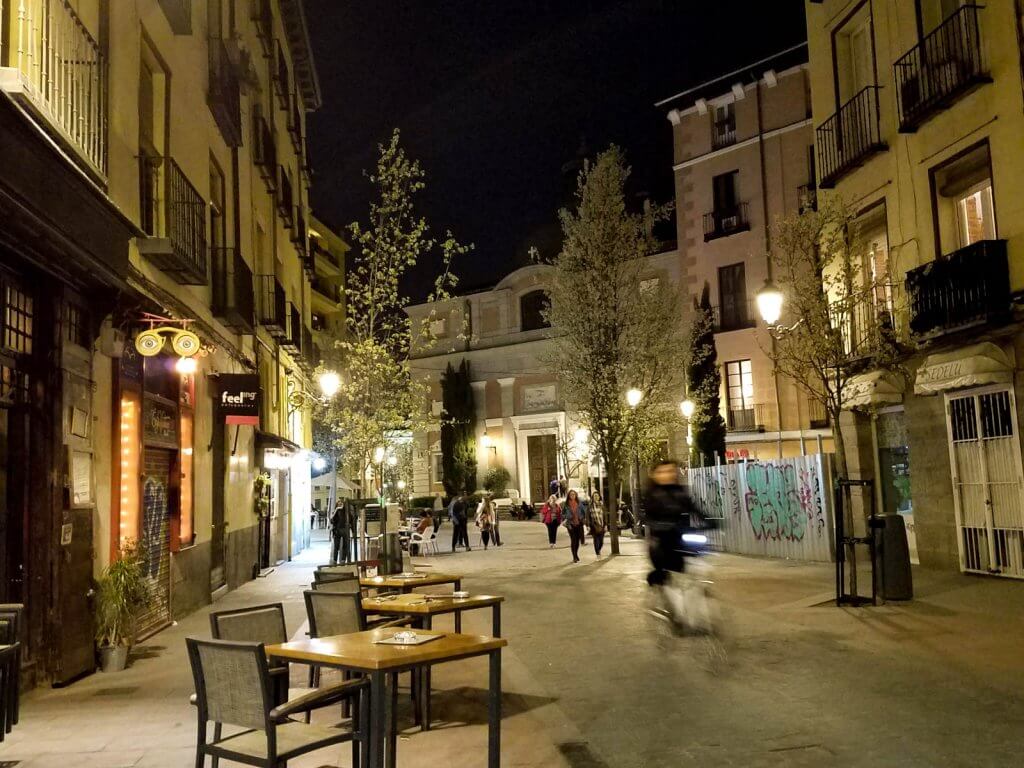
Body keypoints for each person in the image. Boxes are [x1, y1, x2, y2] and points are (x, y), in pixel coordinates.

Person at [563, 489, 587, 563]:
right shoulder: (566, 504)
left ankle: (576, 555)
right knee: (573, 540)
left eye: (574, 494)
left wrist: (582, 518)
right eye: (571, 494)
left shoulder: (579, 503)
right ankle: (574, 557)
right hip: (570, 524)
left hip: (579, 524)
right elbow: (562, 514)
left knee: (577, 541)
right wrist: (566, 516)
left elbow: (584, 512)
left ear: (576, 495)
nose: (572, 496)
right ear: (569, 496)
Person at [330, 500, 353, 565]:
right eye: (338, 505)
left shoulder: (346, 512)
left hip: (343, 530)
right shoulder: (336, 511)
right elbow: (332, 520)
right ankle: (335, 560)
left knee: (344, 546)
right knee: (337, 546)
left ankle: (342, 560)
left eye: (341, 504)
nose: (340, 506)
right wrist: (336, 511)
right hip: (338, 530)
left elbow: (351, 519)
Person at [587, 491, 607, 557]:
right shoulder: (590, 506)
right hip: (594, 525)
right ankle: (598, 553)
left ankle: (598, 550)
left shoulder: (602, 505)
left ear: (599, 497)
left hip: (602, 525)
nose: (596, 497)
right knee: (596, 540)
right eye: (594, 496)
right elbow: (587, 516)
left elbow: (605, 515)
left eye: (597, 496)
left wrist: (606, 525)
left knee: (601, 541)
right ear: (592, 497)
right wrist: (588, 525)